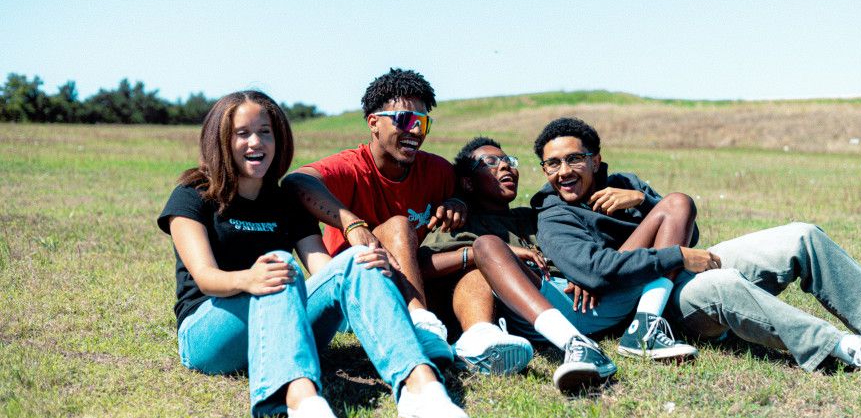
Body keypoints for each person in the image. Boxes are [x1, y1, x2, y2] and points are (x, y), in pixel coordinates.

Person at [530, 117, 861, 383]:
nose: (564, 171)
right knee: (721, 282)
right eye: (553, 164)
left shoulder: (624, 183)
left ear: (595, 159)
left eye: (575, 159)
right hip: (655, 308)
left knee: (802, 233)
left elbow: (690, 231)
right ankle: (849, 349)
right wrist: (677, 257)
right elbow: (597, 272)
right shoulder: (553, 215)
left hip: (679, 269)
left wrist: (645, 202)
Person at [157, 91, 466, 418]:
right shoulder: (194, 194)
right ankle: (303, 402)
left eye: (265, 132)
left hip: (282, 320)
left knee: (355, 262)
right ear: (220, 140)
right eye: (242, 133)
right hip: (210, 332)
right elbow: (206, 279)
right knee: (281, 266)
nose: (255, 142)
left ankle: (421, 387)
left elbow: (325, 272)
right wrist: (250, 278)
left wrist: (363, 268)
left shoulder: (285, 203)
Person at [283, 69, 531, 370]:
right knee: (398, 224)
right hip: (360, 292)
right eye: (404, 120)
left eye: (423, 122)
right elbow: (297, 182)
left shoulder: (437, 171)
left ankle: (479, 339)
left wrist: (456, 202)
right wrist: (351, 222)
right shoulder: (351, 166)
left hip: (415, 279)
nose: (415, 131)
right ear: (374, 122)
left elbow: (467, 192)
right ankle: (420, 326)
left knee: (473, 269)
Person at [420, 137, 697, 391]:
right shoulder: (458, 223)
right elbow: (423, 267)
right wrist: (481, 253)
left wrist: (581, 272)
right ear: (468, 182)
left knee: (678, 203)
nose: (505, 166)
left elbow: (584, 247)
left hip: (587, 298)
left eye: (509, 161)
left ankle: (645, 327)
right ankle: (574, 344)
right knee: (488, 245)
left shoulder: (534, 215)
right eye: (491, 163)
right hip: (536, 309)